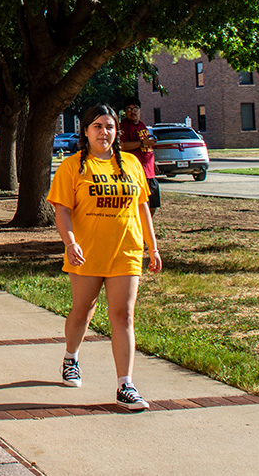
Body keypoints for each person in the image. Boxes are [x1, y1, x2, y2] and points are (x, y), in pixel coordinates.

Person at [49, 104, 162, 412]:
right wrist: (70, 241)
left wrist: (152, 248)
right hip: (85, 253)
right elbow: (62, 210)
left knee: (123, 316)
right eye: (97, 126)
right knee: (82, 311)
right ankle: (71, 357)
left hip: (126, 251)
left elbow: (141, 209)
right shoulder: (73, 167)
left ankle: (125, 384)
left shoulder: (131, 164)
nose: (104, 132)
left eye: (109, 127)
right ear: (85, 131)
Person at [119, 97, 160, 215]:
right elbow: (122, 146)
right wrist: (142, 143)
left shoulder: (142, 125)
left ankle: (146, 229)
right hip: (135, 173)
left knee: (153, 204)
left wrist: (153, 163)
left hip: (150, 172)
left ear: (140, 110)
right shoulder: (124, 127)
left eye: (135, 108)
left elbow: (146, 147)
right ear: (125, 112)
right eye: (129, 109)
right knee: (141, 205)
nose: (132, 111)